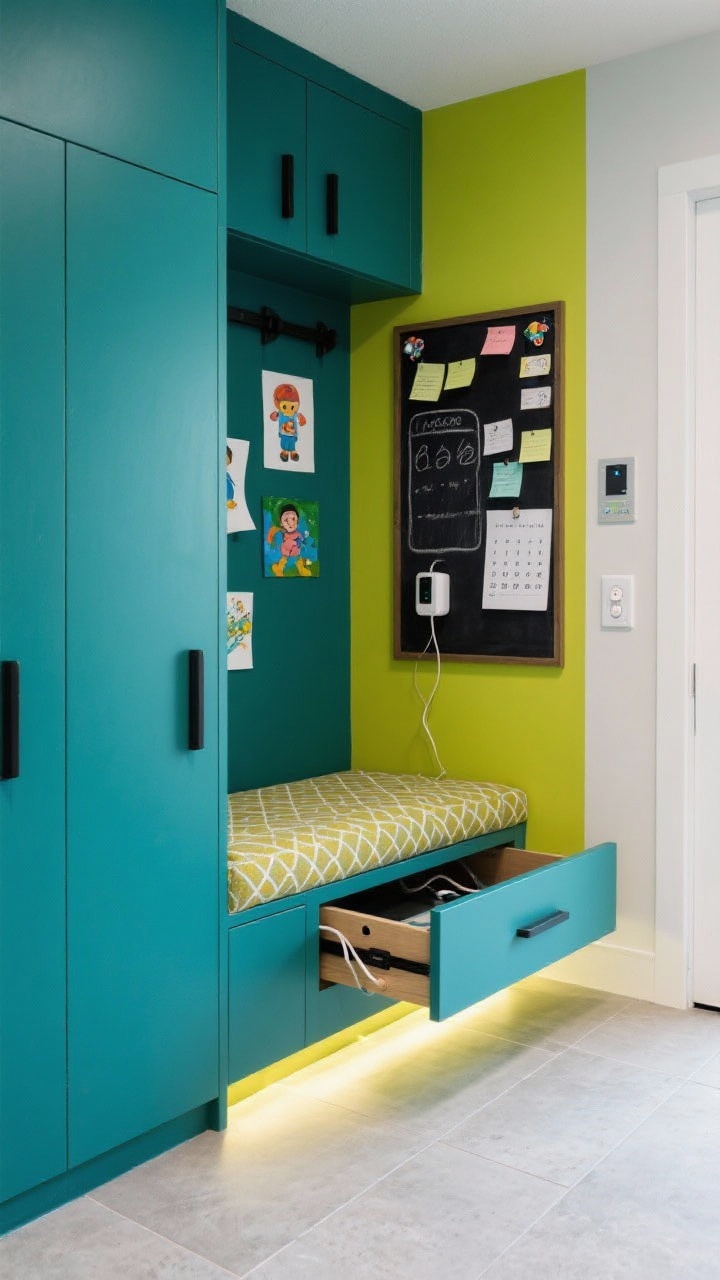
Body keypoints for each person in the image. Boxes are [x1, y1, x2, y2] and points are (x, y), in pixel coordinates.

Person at [269, 382, 306, 462]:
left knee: (292, 442)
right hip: (283, 432)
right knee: (284, 442)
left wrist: (301, 420)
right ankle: (285, 452)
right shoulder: (280, 413)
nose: (289, 409)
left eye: (292, 406)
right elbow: (273, 418)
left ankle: (293, 452)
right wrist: (274, 415)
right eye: (285, 406)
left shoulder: (295, 414)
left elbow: (302, 421)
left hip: (292, 433)